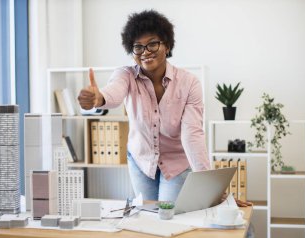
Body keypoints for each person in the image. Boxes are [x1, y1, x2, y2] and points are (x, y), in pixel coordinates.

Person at [78, 9, 251, 207]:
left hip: (177, 163)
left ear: (167, 45)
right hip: (141, 160)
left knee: (169, 216)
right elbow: (113, 94)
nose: (146, 52)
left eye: (152, 43)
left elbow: (192, 135)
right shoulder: (125, 75)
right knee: (147, 214)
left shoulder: (189, 83)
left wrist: (212, 189)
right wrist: (97, 98)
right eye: (138, 47)